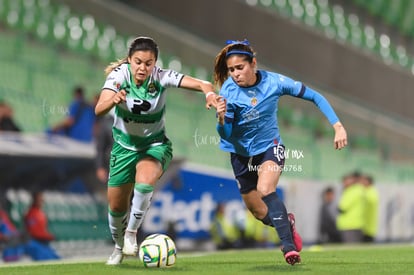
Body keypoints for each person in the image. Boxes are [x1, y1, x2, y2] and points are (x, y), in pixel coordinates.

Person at [214, 39, 348, 265]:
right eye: (231, 70)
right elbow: (226, 134)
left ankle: (288, 246)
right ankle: (288, 222)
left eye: (240, 68)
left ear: (253, 63)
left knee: (265, 188)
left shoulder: (275, 82)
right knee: (257, 212)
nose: (235, 74)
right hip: (239, 154)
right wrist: (220, 118)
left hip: (269, 146)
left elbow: (315, 96)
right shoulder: (228, 92)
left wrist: (337, 125)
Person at [94, 36, 217, 265]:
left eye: (148, 63)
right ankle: (119, 248)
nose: (143, 68)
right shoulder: (118, 76)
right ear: (129, 60)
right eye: (138, 62)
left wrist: (209, 94)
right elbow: (99, 109)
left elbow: (203, 84)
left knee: (145, 181)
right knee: (116, 206)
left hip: (154, 146)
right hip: (122, 148)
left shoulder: (162, 77)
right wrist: (114, 100)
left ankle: (132, 233)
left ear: (155, 63)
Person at [23, 192, 60, 260]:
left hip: (43, 243)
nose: (42, 201)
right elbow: (33, 232)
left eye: (42, 199)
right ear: (34, 200)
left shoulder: (41, 213)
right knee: (48, 259)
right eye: (40, 200)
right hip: (33, 242)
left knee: (57, 259)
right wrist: (48, 236)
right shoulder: (31, 213)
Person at [336, 171, 365, 243]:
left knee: (350, 247)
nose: (344, 183)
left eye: (345, 181)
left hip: (350, 225)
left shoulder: (353, 191)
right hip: (354, 224)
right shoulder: (359, 190)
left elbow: (342, 208)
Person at [360, 174, 379, 243]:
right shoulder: (368, 191)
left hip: (368, 227)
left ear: (368, 182)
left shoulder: (371, 191)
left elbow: (371, 201)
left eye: (363, 181)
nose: (361, 183)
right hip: (365, 226)